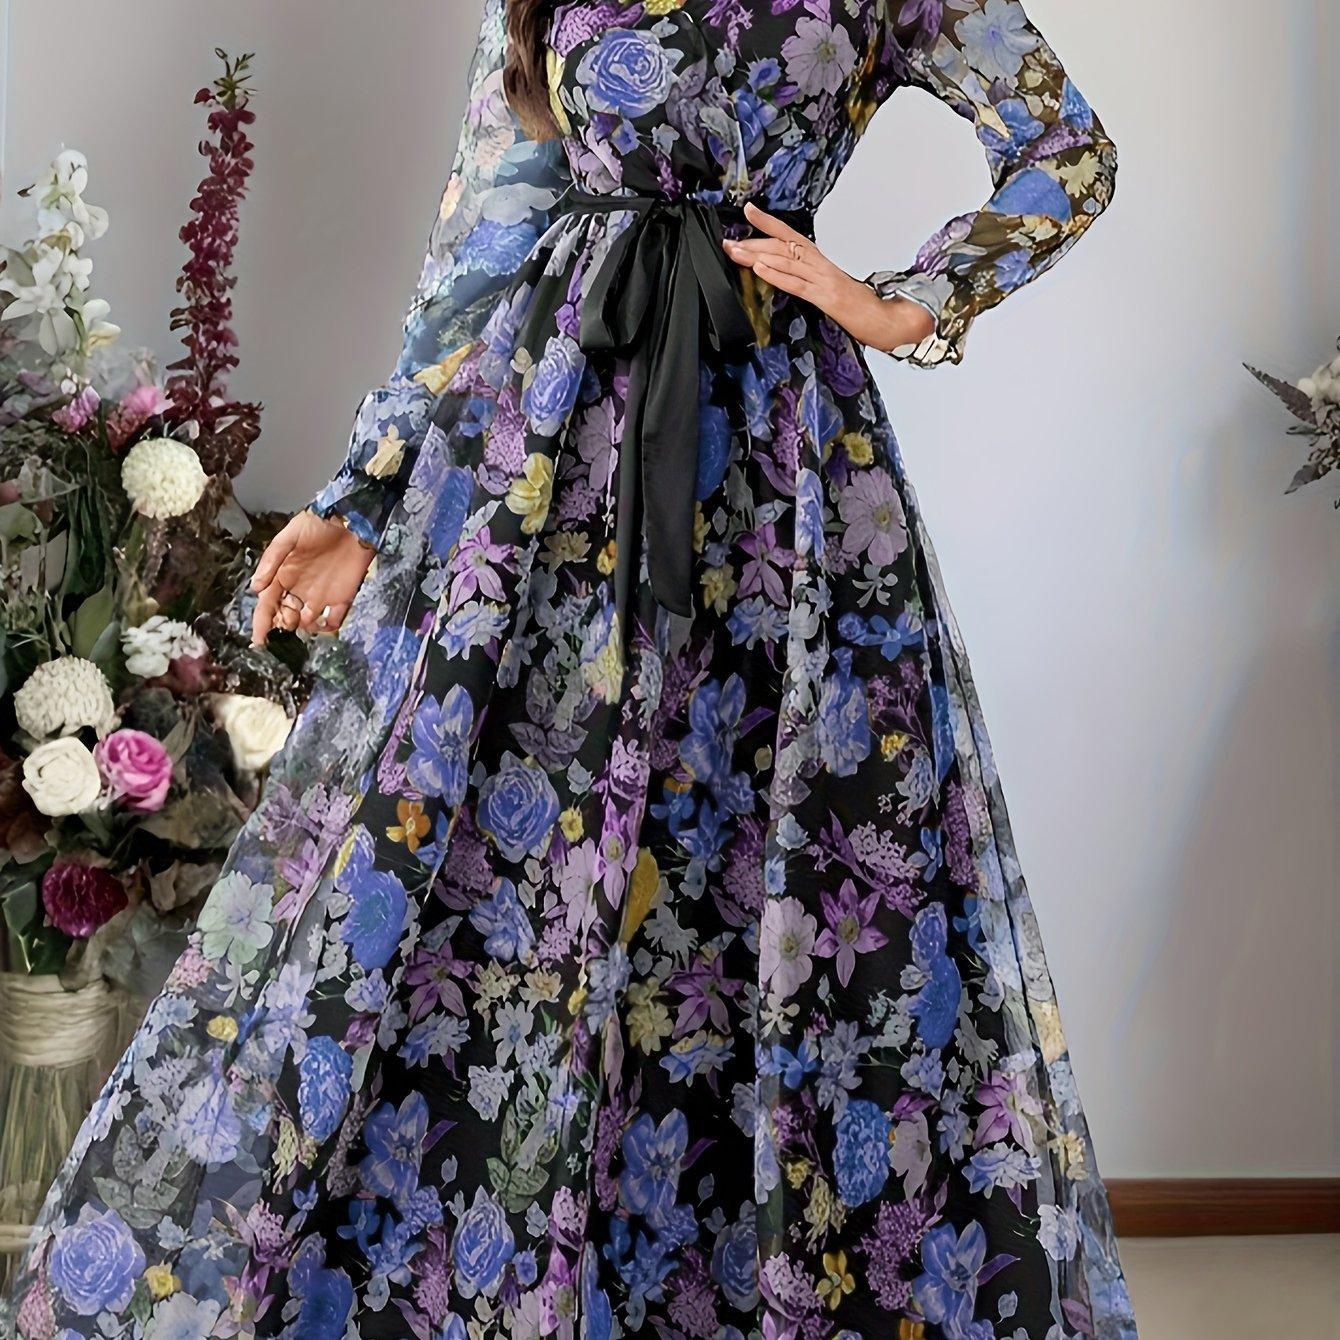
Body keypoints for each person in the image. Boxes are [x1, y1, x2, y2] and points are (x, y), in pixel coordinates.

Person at [6, 1, 1137, 1336]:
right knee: (504, 869)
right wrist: (365, 492)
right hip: (549, 458)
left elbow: (1068, 148)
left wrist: (902, 303)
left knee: (764, 853)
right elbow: (483, 238)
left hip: (775, 463)